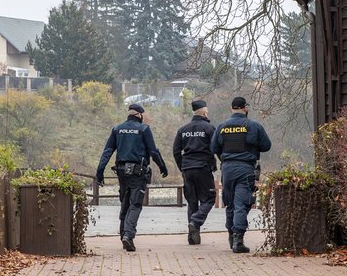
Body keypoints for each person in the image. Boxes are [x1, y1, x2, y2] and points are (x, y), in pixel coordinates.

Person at [96, 103, 169, 252]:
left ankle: (123, 233)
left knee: (125, 201)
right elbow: (153, 152)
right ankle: (128, 236)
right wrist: (162, 167)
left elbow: (107, 151)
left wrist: (100, 171)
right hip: (138, 172)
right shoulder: (144, 129)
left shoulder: (117, 129)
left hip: (122, 171)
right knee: (135, 204)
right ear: (140, 115)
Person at [210, 96, 272, 253]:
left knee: (230, 204)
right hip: (245, 169)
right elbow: (266, 146)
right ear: (246, 108)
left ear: (231, 109)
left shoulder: (222, 127)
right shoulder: (253, 126)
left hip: (227, 170)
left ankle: (231, 236)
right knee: (241, 204)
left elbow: (213, 147)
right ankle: (238, 240)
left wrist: (225, 159)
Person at [172, 99, 217, 245]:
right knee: (209, 199)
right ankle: (196, 221)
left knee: (192, 202)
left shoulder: (183, 129)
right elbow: (216, 148)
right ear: (204, 112)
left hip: (187, 168)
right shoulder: (209, 128)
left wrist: (182, 166)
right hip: (203, 168)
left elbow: (176, 151)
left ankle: (192, 238)